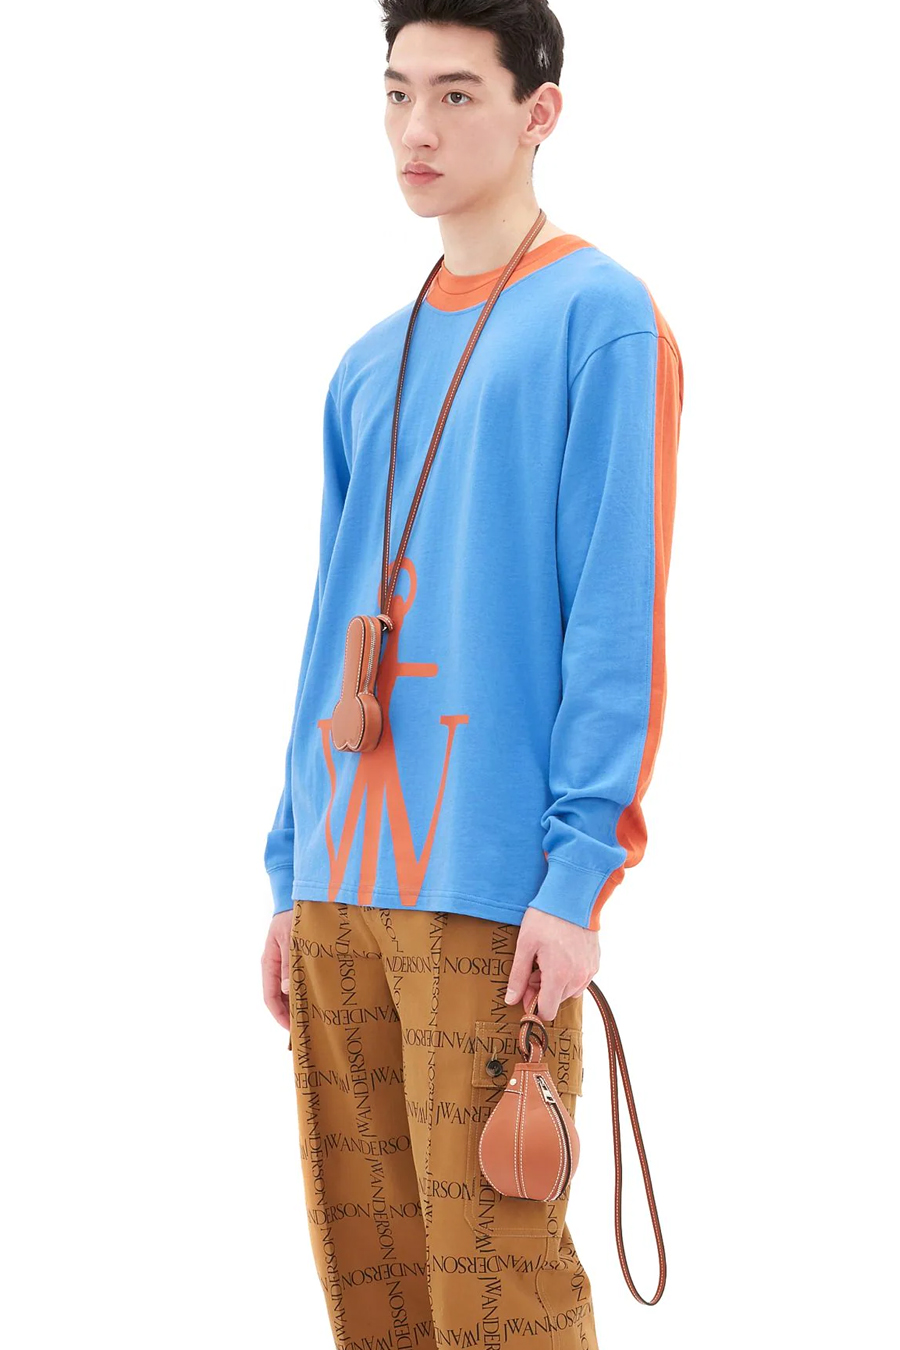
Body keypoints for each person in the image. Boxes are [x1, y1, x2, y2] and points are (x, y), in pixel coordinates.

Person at [260, 2, 683, 1345]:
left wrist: (577, 875)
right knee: (371, 1281)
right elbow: (328, 626)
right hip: (341, 887)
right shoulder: (362, 367)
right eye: (397, 94)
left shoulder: (600, 320)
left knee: (502, 1286)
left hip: (491, 892)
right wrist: (289, 867)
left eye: (455, 94)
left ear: (538, 111)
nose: (416, 130)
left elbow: (613, 616)